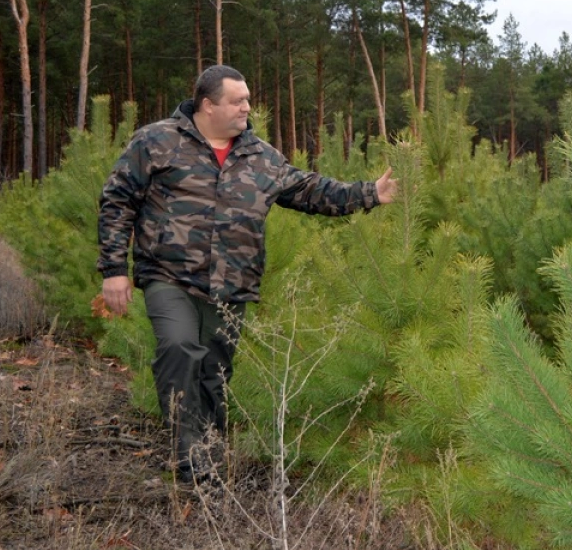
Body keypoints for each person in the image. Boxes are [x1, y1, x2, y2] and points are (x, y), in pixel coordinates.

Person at [97, 64, 397, 483]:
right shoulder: (157, 141)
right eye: (238, 100)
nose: (247, 108)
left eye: (249, 100)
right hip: (169, 276)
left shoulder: (261, 156)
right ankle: (189, 464)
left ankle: (210, 457)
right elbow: (117, 201)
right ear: (207, 105)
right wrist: (114, 270)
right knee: (180, 349)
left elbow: (309, 190)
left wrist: (369, 193)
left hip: (232, 286)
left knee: (214, 376)